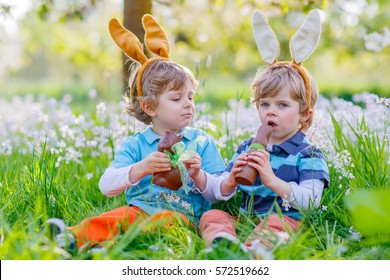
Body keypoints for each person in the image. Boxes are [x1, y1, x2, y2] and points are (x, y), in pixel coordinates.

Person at [45, 14, 225, 250]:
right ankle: (69, 239)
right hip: (139, 210)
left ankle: (109, 247)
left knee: (163, 222)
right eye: (176, 98)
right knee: (117, 217)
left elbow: (222, 192)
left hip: (184, 218)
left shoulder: (200, 142)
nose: (188, 103)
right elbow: (106, 186)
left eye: (190, 96)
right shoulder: (136, 145)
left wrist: (200, 175)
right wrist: (142, 168)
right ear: (149, 107)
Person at [199, 10, 330, 258]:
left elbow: (312, 202)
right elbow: (218, 193)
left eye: (282, 105)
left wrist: (271, 179)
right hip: (248, 219)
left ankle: (252, 253)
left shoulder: (309, 154)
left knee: (274, 223)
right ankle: (222, 242)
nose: (271, 112)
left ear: (304, 114)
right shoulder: (247, 148)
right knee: (213, 215)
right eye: (265, 104)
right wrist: (230, 180)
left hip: (285, 221)